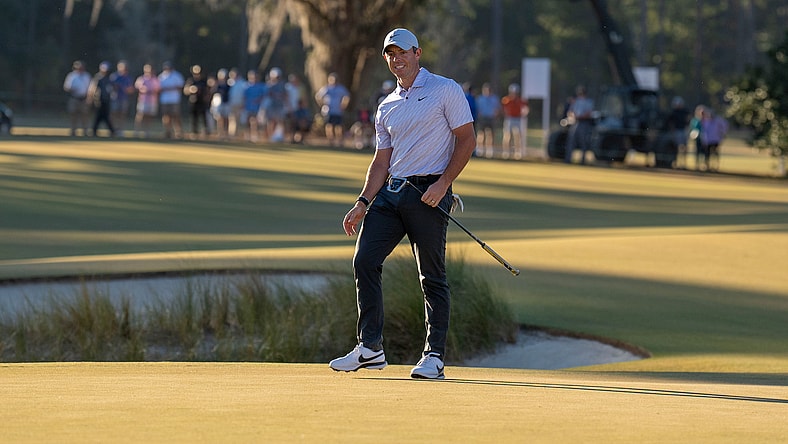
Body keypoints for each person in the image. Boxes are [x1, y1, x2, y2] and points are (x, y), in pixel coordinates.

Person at [329, 28, 476, 380]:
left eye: (403, 52)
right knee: (364, 261)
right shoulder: (387, 105)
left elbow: (467, 140)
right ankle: (370, 348)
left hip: (429, 194)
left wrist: (444, 184)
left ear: (418, 53)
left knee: (431, 277)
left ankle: (435, 356)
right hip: (390, 195)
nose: (397, 59)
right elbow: (381, 162)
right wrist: (362, 202)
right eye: (390, 54)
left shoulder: (445, 89)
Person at [315, 72, 350, 147]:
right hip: (329, 111)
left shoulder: (340, 88)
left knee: (339, 126)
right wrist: (322, 104)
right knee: (329, 126)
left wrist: (344, 105)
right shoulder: (326, 88)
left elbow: (347, 96)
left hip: (338, 111)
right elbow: (318, 96)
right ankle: (331, 141)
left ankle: (340, 141)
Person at [564, 85, 594, 164]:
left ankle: (582, 160)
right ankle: (568, 159)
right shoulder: (576, 101)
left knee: (583, 142)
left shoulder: (588, 102)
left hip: (584, 123)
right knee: (571, 142)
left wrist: (579, 116)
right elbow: (570, 111)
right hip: (574, 123)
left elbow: (589, 113)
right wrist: (573, 116)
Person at [63, 60, 92, 136]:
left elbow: (90, 88)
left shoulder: (87, 76)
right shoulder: (72, 76)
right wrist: (72, 89)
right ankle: (73, 131)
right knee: (73, 115)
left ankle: (85, 132)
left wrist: (89, 97)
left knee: (85, 116)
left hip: (84, 98)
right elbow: (66, 87)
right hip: (74, 98)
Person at [87, 61, 116, 137]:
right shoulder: (98, 78)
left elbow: (110, 89)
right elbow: (93, 89)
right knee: (101, 116)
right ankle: (110, 130)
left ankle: (95, 130)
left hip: (106, 100)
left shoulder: (108, 78)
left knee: (102, 116)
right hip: (99, 100)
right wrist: (91, 98)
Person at [500, 83, 528, 159]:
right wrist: (505, 114)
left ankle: (518, 152)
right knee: (507, 135)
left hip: (517, 118)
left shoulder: (520, 100)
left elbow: (526, 108)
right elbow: (503, 108)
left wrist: (524, 114)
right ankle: (506, 152)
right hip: (509, 118)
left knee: (518, 136)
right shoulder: (507, 99)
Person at [158, 61, 185, 139]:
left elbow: (180, 87)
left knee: (176, 116)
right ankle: (167, 132)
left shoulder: (177, 75)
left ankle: (178, 132)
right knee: (166, 117)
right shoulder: (161, 76)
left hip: (174, 100)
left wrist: (170, 88)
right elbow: (159, 88)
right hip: (164, 100)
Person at [183, 64, 211, 138]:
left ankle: (206, 131)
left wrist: (207, 98)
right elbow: (185, 90)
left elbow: (208, 91)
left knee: (204, 117)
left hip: (202, 102)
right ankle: (194, 132)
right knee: (194, 118)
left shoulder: (204, 81)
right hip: (193, 101)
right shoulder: (191, 80)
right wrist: (191, 89)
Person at [134, 63, 160, 137]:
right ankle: (137, 131)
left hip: (152, 101)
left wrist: (151, 91)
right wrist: (144, 90)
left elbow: (157, 89)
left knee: (149, 116)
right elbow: (138, 87)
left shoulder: (155, 79)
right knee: (140, 115)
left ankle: (146, 131)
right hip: (143, 100)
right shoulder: (141, 79)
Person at [110, 60, 134, 136]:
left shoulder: (128, 77)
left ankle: (120, 130)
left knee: (122, 114)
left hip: (124, 98)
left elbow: (130, 90)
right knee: (113, 114)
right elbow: (110, 87)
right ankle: (113, 129)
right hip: (115, 98)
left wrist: (126, 89)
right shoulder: (114, 76)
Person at [475, 83, 500, 157]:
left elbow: (497, 108)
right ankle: (480, 150)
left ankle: (490, 151)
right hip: (483, 117)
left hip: (491, 117)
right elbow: (478, 108)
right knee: (481, 134)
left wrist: (496, 115)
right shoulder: (480, 98)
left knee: (491, 134)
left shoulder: (494, 98)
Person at [700, 108, 728, 172]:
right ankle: (707, 165)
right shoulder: (706, 121)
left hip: (715, 139)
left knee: (715, 153)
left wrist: (722, 133)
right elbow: (704, 131)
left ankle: (715, 166)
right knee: (707, 154)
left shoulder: (718, 121)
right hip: (708, 140)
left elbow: (725, 126)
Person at [666, 96, 691, 169]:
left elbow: (688, 119)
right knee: (677, 148)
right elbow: (671, 123)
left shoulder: (685, 111)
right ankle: (677, 163)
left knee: (684, 148)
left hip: (683, 130)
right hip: (677, 131)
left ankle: (684, 163)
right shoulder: (673, 112)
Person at [265, 67, 288, 142]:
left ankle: (281, 137)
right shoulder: (269, 85)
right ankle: (271, 138)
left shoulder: (282, 85)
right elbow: (268, 95)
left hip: (280, 106)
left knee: (281, 121)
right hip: (272, 106)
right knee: (271, 122)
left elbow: (285, 95)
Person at [689, 105, 706, 170]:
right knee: (697, 151)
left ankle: (703, 164)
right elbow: (692, 128)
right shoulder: (695, 120)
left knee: (704, 152)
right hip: (697, 138)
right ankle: (697, 164)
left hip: (705, 138)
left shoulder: (706, 120)